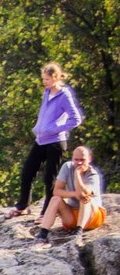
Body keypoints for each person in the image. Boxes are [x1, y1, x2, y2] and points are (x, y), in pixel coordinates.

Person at [15, 63, 84, 214]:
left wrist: (55, 129)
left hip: (55, 142)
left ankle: (47, 213)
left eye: (46, 79)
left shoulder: (64, 95)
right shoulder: (47, 92)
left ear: (55, 78)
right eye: (43, 78)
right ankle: (22, 207)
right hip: (41, 140)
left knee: (50, 180)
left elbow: (76, 119)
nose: (44, 82)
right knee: (27, 172)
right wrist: (39, 127)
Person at [36, 145, 105, 239]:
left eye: (82, 160)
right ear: (72, 158)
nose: (79, 162)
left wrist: (77, 174)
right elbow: (57, 191)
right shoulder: (67, 167)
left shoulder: (93, 175)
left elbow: (83, 193)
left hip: (91, 217)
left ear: (89, 159)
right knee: (55, 199)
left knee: (84, 198)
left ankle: (78, 231)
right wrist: (73, 194)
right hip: (72, 217)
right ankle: (43, 232)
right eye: (76, 159)